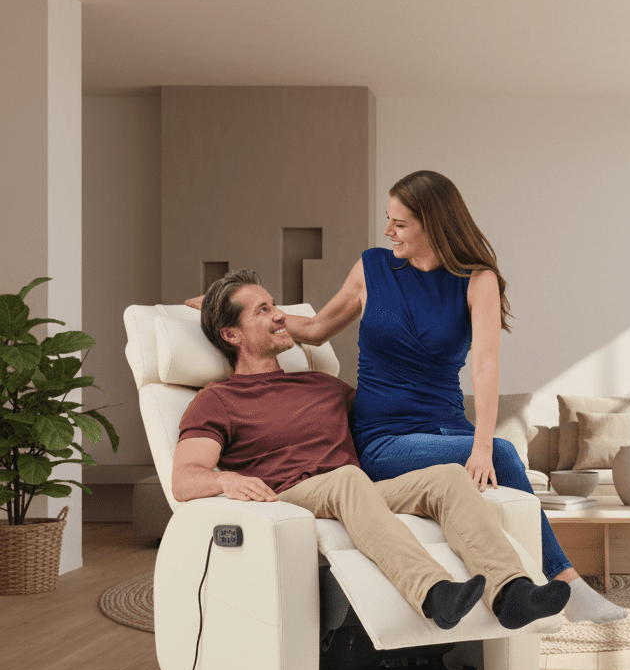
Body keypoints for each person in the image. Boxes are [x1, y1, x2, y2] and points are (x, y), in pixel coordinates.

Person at [185, 171, 626, 626]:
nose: (387, 231)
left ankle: (515, 613)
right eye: (388, 219)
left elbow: (485, 367)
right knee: (503, 454)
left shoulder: (477, 281)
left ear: (432, 225)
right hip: (383, 438)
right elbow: (316, 330)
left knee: (484, 463)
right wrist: (238, 315)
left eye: (399, 223)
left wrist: (478, 446)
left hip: (447, 428)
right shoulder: (373, 267)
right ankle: (566, 584)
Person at [173, 269, 571, 632]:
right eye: (263, 309)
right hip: (287, 497)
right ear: (231, 335)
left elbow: (390, 422)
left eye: (275, 304)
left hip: (355, 491)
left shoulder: (323, 385)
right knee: (346, 479)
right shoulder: (218, 400)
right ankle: (433, 592)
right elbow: (185, 476)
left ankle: (512, 592)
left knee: (449, 477)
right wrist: (226, 479)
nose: (279, 314)